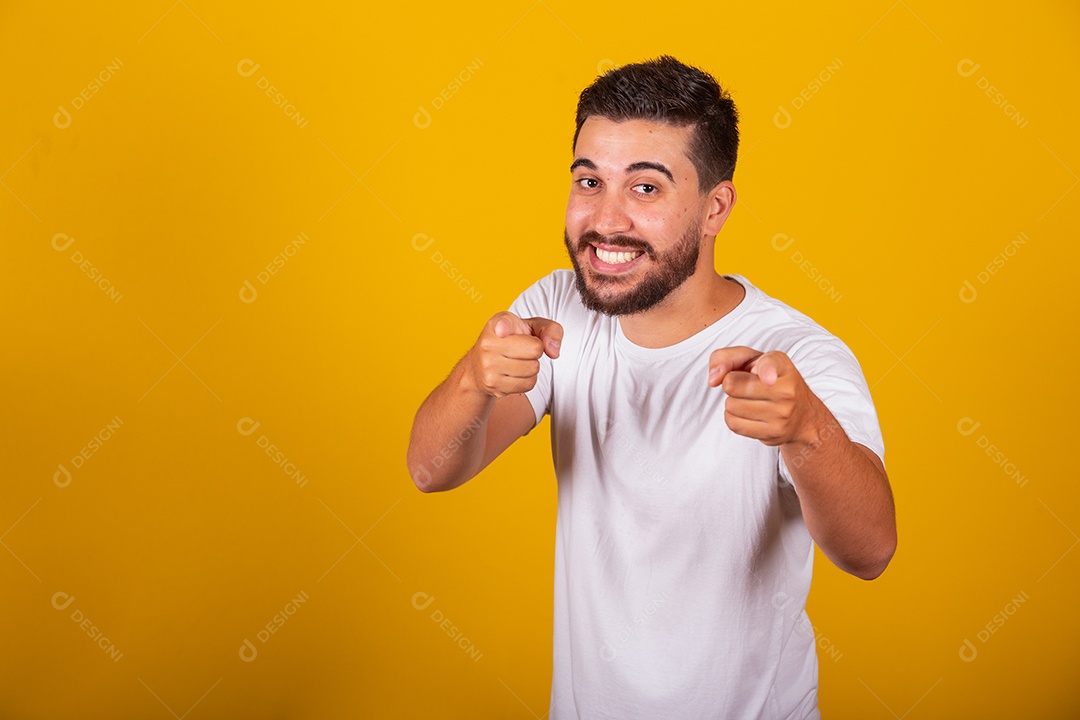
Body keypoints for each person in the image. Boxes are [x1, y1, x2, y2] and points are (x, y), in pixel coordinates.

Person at [406, 55, 896, 720]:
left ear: (715, 207)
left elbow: (870, 551)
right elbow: (430, 469)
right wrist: (474, 376)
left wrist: (805, 430)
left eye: (645, 189)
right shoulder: (559, 309)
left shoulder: (800, 355)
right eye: (589, 181)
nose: (607, 221)